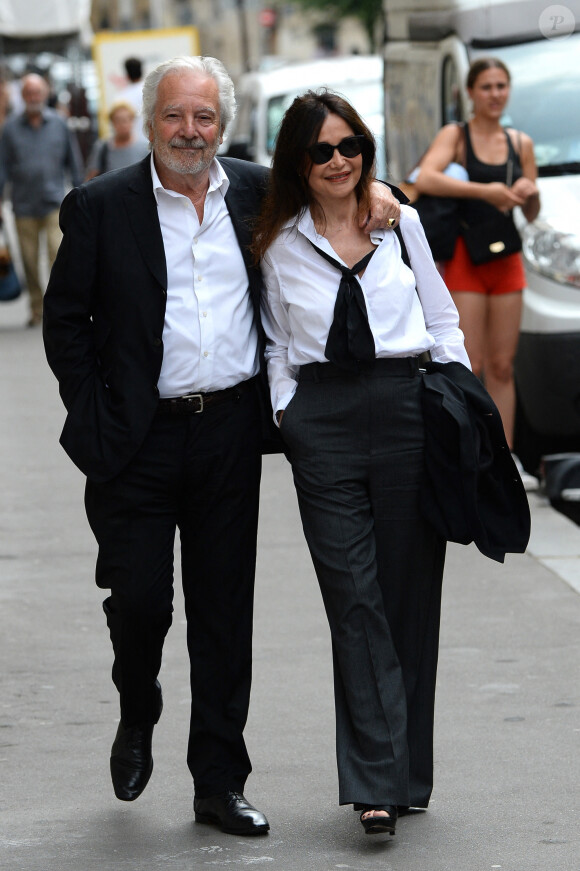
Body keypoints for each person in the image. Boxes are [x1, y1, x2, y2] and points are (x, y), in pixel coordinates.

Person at [42, 56, 401, 836]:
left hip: (229, 433)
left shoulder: (262, 191)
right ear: (150, 119)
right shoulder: (102, 206)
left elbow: (345, 187)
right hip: (134, 442)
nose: (189, 131)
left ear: (223, 125)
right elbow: (65, 322)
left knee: (221, 612)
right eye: (175, 115)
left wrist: (382, 191)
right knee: (139, 600)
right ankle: (138, 706)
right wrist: (94, 415)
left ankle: (218, 780)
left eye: (204, 117)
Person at [252, 89, 471, 837]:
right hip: (325, 421)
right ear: (298, 162)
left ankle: (405, 774)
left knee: (409, 596)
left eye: (350, 147)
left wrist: (458, 401)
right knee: (354, 596)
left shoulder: (399, 220)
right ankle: (375, 781)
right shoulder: (278, 241)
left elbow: (440, 316)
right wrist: (290, 413)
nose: (339, 161)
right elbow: (278, 340)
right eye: (321, 150)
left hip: (409, 407)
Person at [414, 57, 540, 489]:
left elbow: (531, 208)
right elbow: (426, 177)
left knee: (503, 366)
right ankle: (473, 453)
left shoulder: (519, 141)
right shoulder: (457, 136)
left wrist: (529, 193)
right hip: (467, 257)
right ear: (470, 92)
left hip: (506, 259)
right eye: (486, 86)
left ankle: (505, 458)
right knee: (472, 362)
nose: (494, 94)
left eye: (501, 86)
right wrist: (484, 190)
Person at [0, 72, 83, 326]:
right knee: (29, 260)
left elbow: (73, 159)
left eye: (38, 92)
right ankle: (37, 309)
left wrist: (82, 192)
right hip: (23, 204)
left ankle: (57, 309)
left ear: (45, 94)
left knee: (58, 256)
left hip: (54, 202)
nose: (34, 97)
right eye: (29, 93)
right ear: (23, 96)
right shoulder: (10, 128)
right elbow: (2, 166)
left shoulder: (59, 123)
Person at [85, 100, 149, 180]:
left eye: (125, 120)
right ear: (112, 122)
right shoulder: (103, 147)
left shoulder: (145, 148)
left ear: (132, 120)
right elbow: (91, 176)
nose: (123, 125)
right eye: (118, 120)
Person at [116, 57, 147, 143]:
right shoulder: (152, 91)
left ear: (127, 74)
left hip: (132, 144)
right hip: (152, 142)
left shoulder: (121, 97)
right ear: (142, 71)